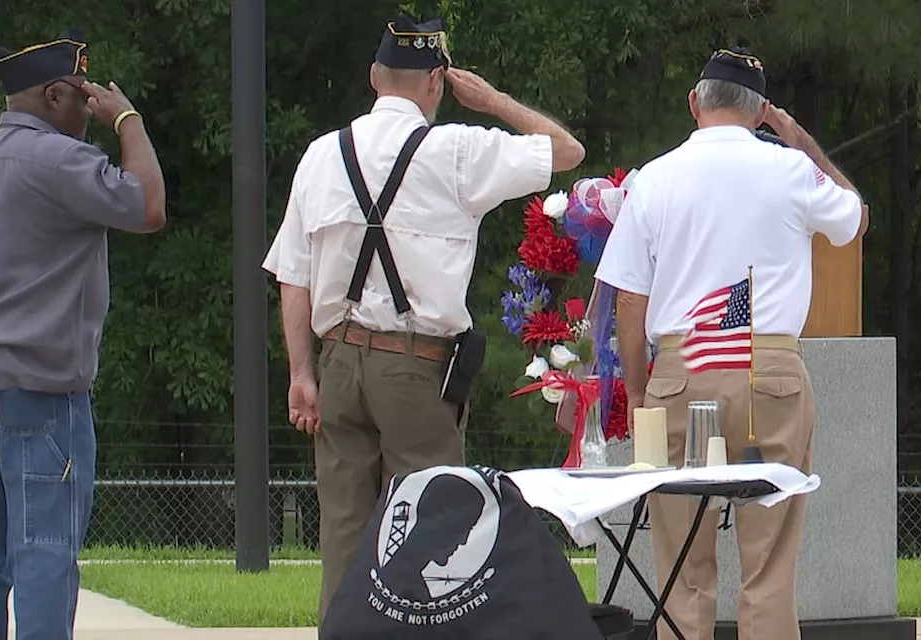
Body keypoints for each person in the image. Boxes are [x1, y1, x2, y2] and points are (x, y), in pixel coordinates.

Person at [262, 13, 584, 624]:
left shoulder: (321, 155)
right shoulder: (455, 149)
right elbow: (566, 152)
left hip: (338, 363)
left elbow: (293, 274)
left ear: (373, 77)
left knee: (345, 536)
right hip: (414, 370)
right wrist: (490, 100)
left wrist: (302, 373)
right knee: (435, 536)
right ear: (438, 82)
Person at [594, 47, 868, 640]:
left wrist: (639, 391)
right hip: (767, 372)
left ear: (694, 102)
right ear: (760, 111)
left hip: (680, 369)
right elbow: (855, 219)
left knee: (682, 560)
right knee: (768, 566)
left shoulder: (655, 177)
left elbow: (631, 300)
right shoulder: (791, 169)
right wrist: (795, 136)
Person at [0, 27, 166, 640]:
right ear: (55, 94)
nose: (89, 111)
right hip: (39, 383)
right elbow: (146, 206)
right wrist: (129, 120)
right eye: (83, 96)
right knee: (43, 549)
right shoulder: (62, 161)